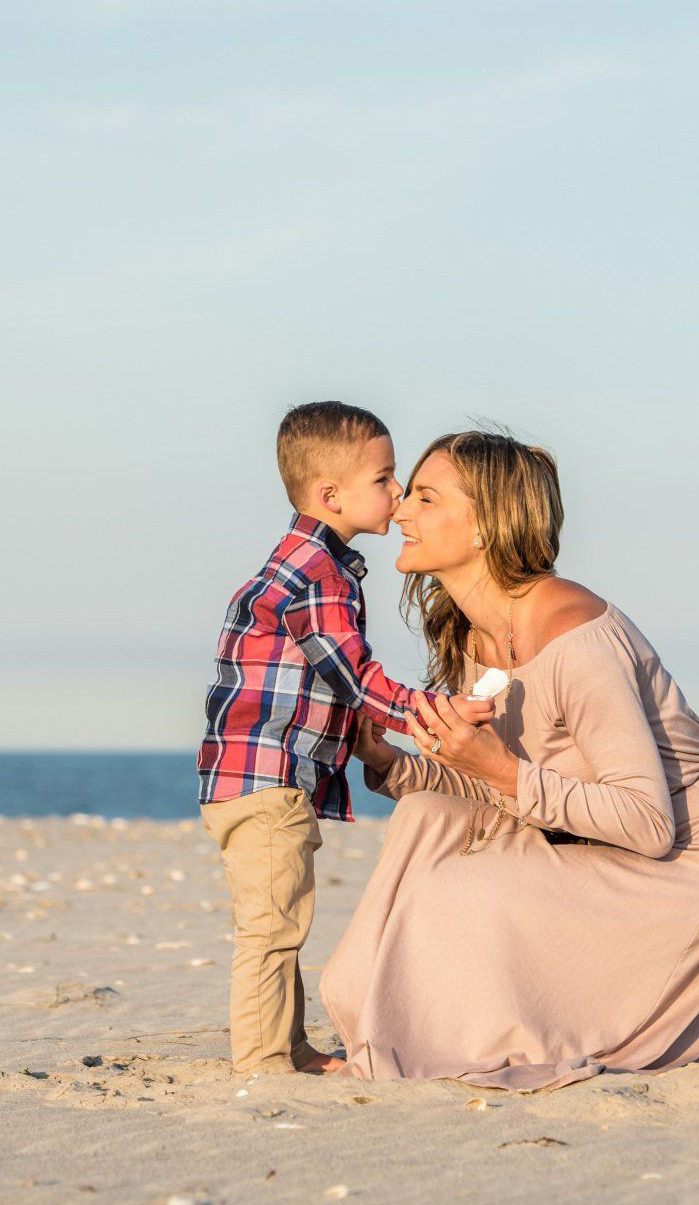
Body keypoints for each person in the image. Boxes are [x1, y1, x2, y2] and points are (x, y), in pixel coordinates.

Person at [320, 430, 699, 1090]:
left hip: (692, 874)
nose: (399, 512)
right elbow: (495, 782)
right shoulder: (473, 631)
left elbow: (648, 822)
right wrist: (385, 757)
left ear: (484, 525)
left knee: (460, 890)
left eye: (424, 496)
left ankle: (445, 1032)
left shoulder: (575, 635)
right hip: (595, 847)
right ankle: (391, 1017)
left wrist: (495, 767)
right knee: (426, 817)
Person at [195, 402, 494, 1076]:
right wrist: (441, 711)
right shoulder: (314, 577)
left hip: (257, 777)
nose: (398, 495)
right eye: (386, 480)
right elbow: (358, 680)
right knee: (271, 927)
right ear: (332, 496)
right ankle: (263, 1058)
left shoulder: (310, 565)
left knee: (283, 919)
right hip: (262, 778)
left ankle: (289, 1046)